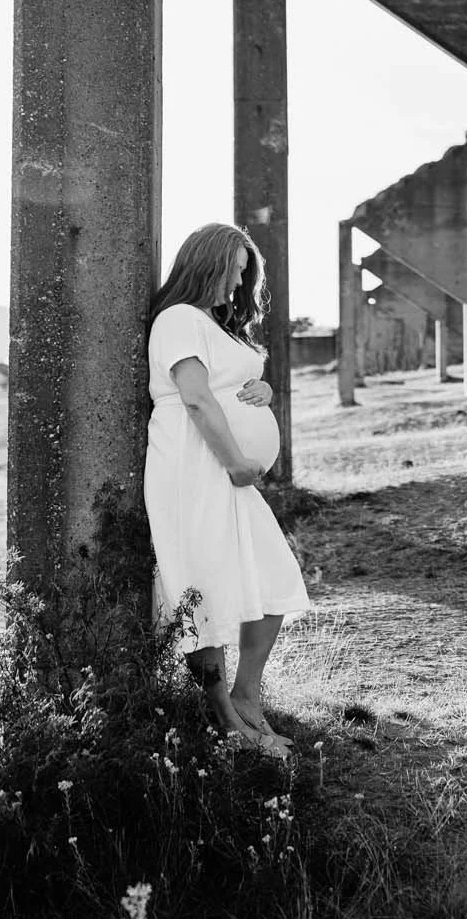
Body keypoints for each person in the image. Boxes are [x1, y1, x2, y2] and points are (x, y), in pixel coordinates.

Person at [145, 222, 309, 756]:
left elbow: (224, 385)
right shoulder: (177, 319)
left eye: (245, 275)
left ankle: (248, 694)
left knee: (274, 575)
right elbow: (194, 398)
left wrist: (258, 388)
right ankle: (229, 725)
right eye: (234, 271)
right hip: (197, 467)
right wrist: (238, 461)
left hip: (227, 470)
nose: (239, 284)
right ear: (207, 265)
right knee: (204, 586)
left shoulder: (216, 326)